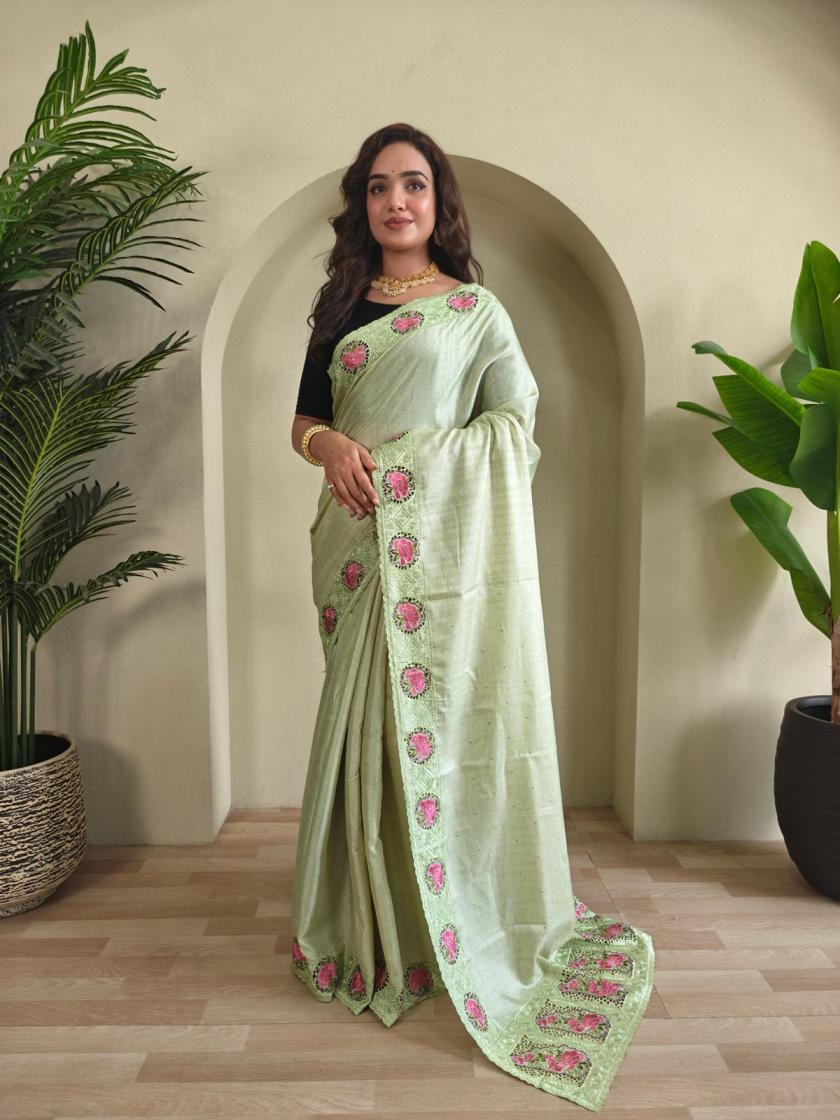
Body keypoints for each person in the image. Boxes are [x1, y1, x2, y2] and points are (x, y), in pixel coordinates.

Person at [289, 122, 655, 1112]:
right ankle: (377, 927)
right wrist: (331, 448)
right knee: (362, 728)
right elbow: (306, 419)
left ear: (437, 200)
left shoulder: (475, 311)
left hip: (437, 551)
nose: (395, 202)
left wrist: (415, 464)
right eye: (378, 187)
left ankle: (451, 912)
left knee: (441, 726)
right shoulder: (340, 305)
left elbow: (512, 424)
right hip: (354, 544)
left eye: (412, 184)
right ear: (362, 205)